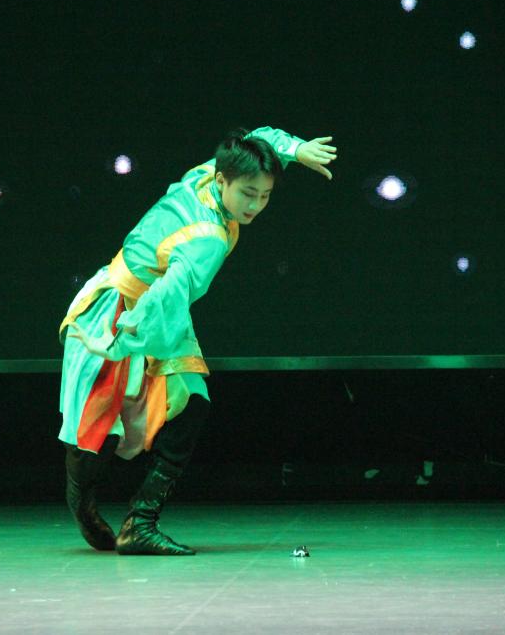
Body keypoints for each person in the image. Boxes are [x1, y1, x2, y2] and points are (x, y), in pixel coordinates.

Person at [58, 125, 337, 555]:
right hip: (122, 309)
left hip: (154, 308)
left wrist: (296, 150)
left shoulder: (206, 174)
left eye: (265, 196)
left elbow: (258, 139)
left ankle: (140, 522)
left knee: (191, 404)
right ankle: (82, 501)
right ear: (224, 181)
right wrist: (122, 342)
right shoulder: (207, 238)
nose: (255, 206)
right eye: (248, 194)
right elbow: (168, 295)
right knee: (98, 423)